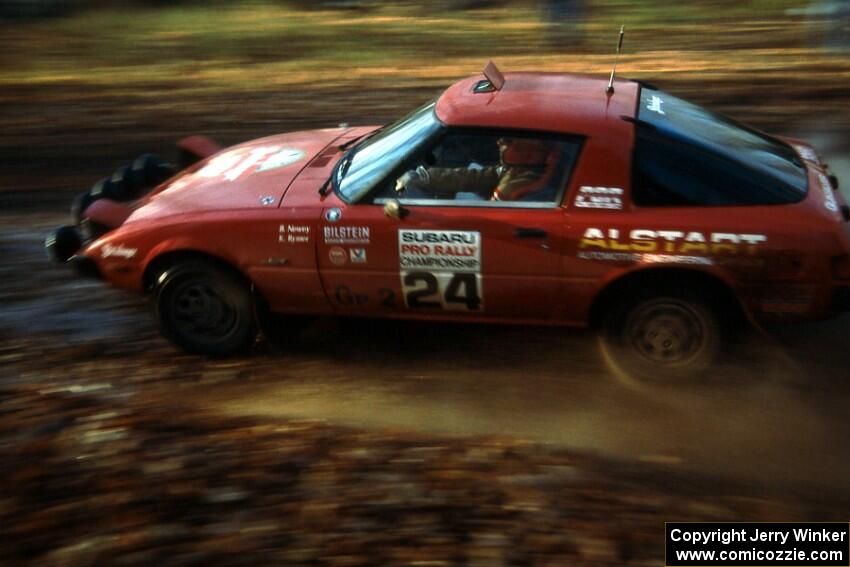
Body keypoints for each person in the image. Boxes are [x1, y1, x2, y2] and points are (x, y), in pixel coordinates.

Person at [395, 137, 554, 201]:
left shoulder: (514, 185)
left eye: (508, 141)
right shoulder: (519, 170)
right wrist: (425, 177)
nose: (499, 142)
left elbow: (487, 222)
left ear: (529, 153)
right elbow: (475, 176)